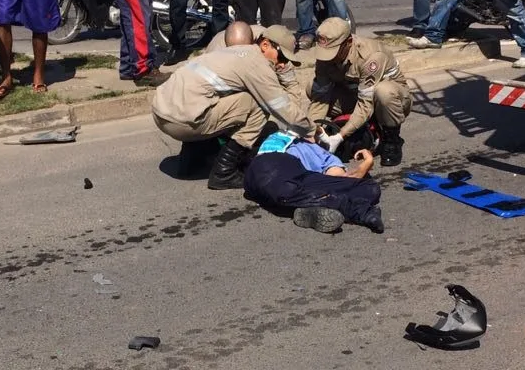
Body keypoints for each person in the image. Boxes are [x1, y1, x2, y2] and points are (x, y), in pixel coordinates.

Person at [151, 27, 313, 190]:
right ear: (265, 44)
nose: (283, 64)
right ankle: (224, 172)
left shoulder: (230, 52)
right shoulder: (256, 63)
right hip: (184, 121)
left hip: (162, 113)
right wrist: (312, 131)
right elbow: (282, 107)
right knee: (256, 103)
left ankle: (193, 156)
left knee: (221, 100)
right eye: (283, 57)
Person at [308, 17, 413, 167]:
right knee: (310, 87)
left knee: (384, 92)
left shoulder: (371, 56)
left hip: (388, 101)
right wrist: (311, 131)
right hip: (354, 96)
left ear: (348, 42)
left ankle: (392, 140)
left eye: (333, 51)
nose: (328, 57)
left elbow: (366, 103)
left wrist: (340, 136)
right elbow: (320, 97)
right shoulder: (325, 56)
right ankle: (348, 125)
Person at [245, 134, 383, 233]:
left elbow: (342, 181)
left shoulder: (325, 155)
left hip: (303, 179)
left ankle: (309, 210)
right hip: (272, 165)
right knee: (286, 190)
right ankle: (359, 211)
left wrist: (366, 165)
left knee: (370, 188)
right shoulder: (287, 136)